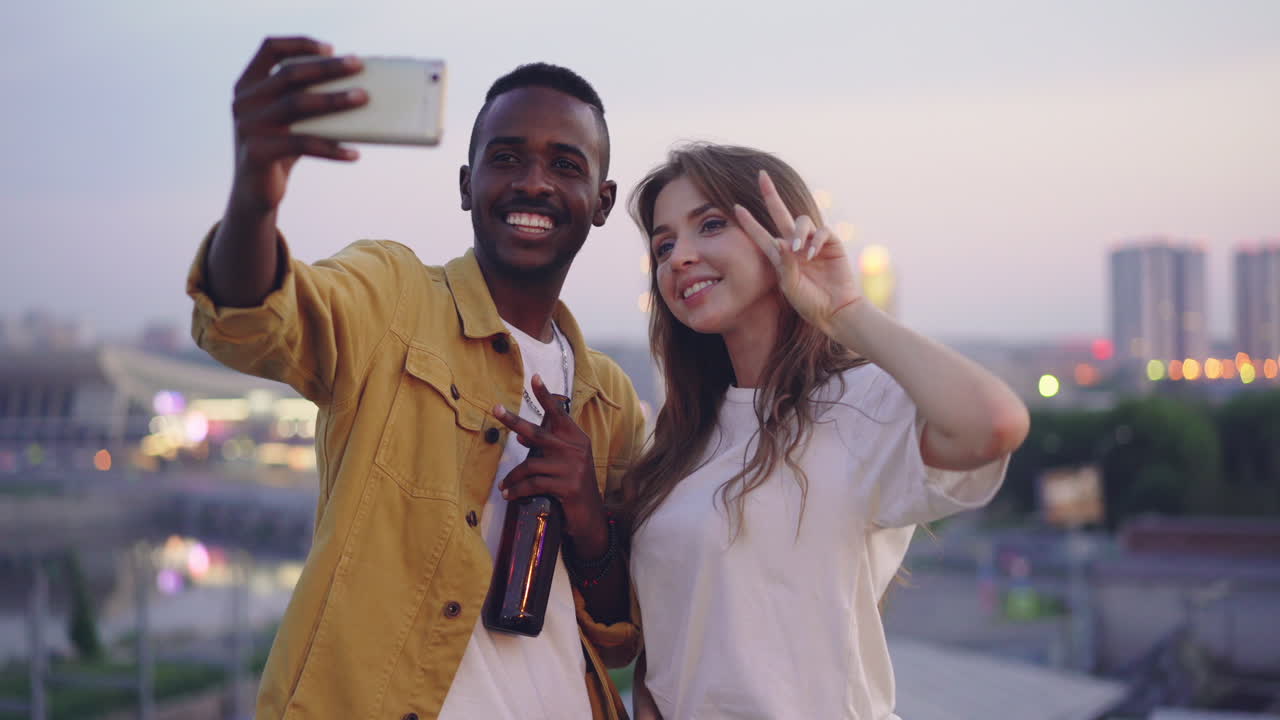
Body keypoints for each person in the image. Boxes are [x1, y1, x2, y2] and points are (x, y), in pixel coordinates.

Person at [187, 36, 645, 720]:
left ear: (601, 201)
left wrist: (590, 523)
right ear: (467, 185)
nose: (533, 183)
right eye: (507, 157)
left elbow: (618, 637)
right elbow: (254, 324)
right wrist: (254, 194)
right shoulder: (395, 297)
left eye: (565, 164)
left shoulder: (611, 402)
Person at [623, 143, 1030, 719]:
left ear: (781, 234)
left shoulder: (856, 404)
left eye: (710, 225)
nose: (679, 257)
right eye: (663, 245)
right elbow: (671, 645)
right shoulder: (682, 439)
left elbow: (994, 424)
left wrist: (845, 310)